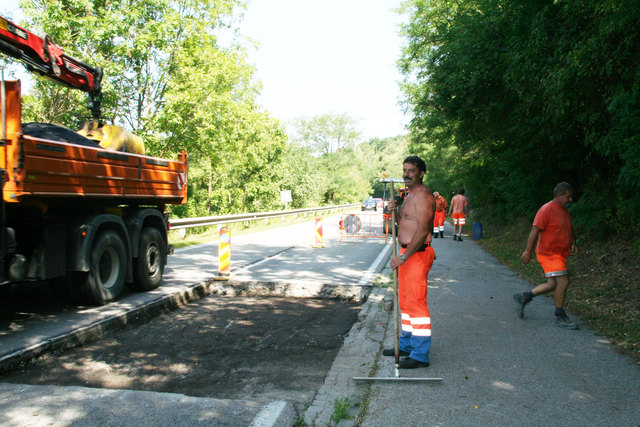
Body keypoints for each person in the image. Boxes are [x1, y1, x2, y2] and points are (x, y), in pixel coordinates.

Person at [383, 156, 436, 369]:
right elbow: (404, 224)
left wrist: (404, 257)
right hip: (407, 253)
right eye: (405, 170)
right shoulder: (409, 195)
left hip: (416, 254)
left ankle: (420, 354)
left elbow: (422, 230)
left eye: (411, 170)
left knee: (416, 303)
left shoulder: (423, 196)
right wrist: (393, 211)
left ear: (421, 173)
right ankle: (406, 344)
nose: (406, 174)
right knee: (405, 302)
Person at [513, 182, 579, 329]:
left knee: (552, 284)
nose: (570, 200)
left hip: (559, 254)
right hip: (549, 254)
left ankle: (524, 297)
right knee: (563, 281)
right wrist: (528, 251)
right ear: (559, 195)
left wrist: (573, 243)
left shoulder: (564, 210)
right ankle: (559, 315)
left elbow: (569, 228)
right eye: (568, 197)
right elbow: (534, 231)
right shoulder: (546, 210)